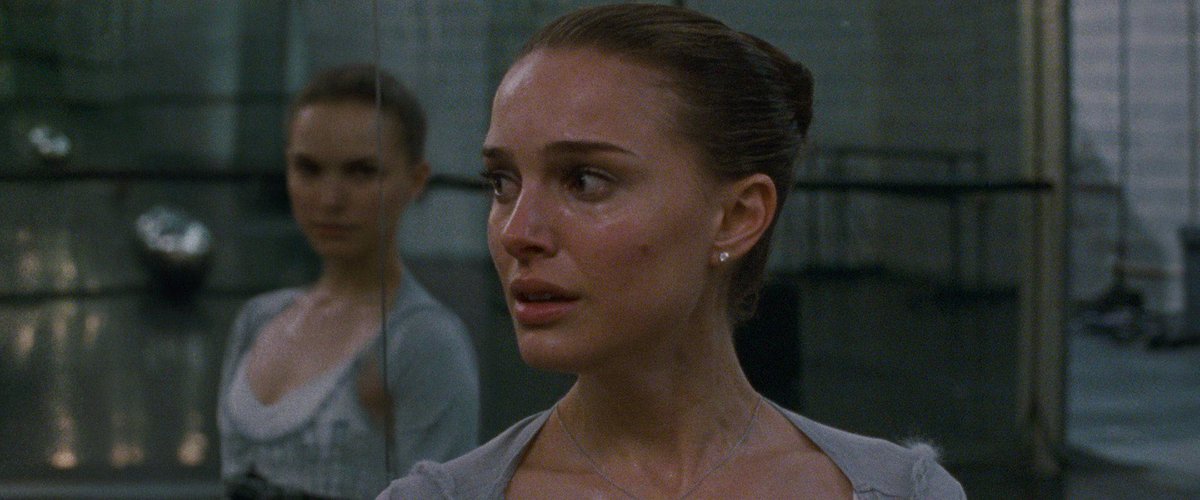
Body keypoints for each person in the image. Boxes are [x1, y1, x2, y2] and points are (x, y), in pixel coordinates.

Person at [378, 5, 965, 499]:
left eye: (585, 180)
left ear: (737, 217)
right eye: (502, 182)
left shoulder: (900, 492)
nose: (516, 232)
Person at [218, 64, 480, 499]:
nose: (330, 199)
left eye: (361, 172)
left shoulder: (423, 341)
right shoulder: (258, 319)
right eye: (308, 169)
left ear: (415, 181)